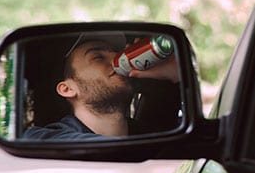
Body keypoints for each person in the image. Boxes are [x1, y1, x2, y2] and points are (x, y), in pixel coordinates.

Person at [23, 33, 181, 140]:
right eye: (98, 57)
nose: (114, 59)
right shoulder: (42, 138)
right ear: (68, 89)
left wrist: (175, 73)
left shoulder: (154, 135)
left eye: (117, 53)